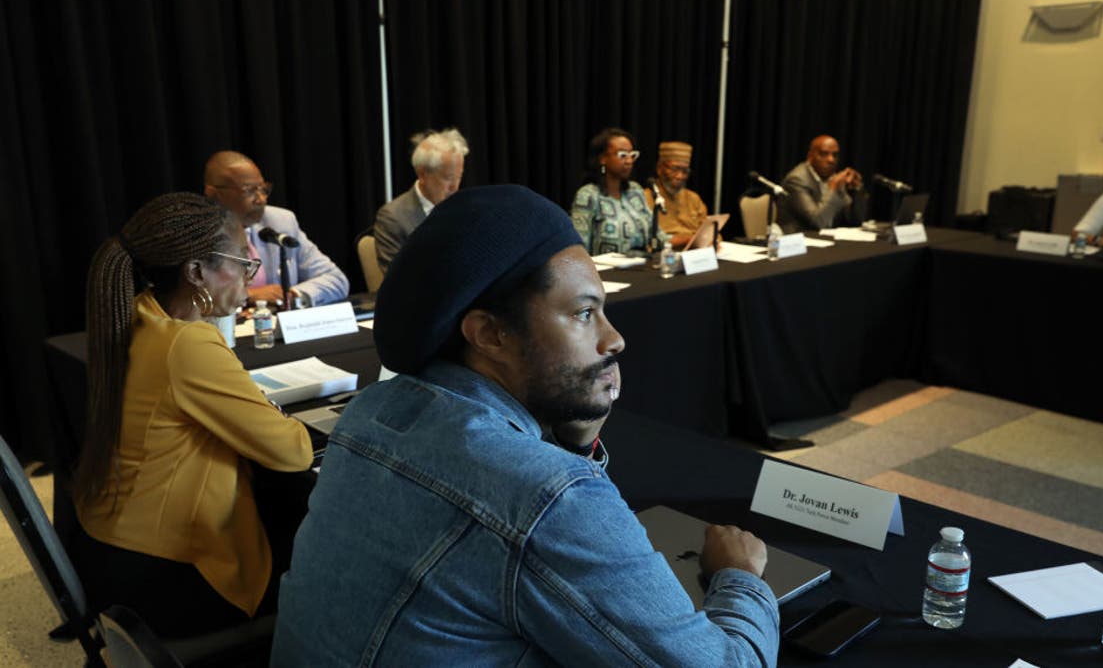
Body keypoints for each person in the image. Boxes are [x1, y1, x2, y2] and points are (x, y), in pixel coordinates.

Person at [273, 185, 779, 666]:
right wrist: (737, 576)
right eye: (584, 314)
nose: (615, 340)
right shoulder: (547, 497)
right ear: (490, 334)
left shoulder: (369, 412)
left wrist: (575, 444)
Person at [72, 192, 313, 638]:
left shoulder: (141, 314)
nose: (249, 275)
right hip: (166, 573)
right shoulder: (188, 345)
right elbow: (294, 451)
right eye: (242, 262)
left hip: (111, 548)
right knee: (328, 562)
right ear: (195, 271)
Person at [204, 150, 349, 309]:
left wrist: (291, 296)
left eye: (263, 189)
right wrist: (250, 295)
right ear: (214, 194)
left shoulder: (280, 221)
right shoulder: (197, 233)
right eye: (249, 190)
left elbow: (337, 279)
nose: (261, 199)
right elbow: (190, 296)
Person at [374, 127, 469, 273]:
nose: (455, 187)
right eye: (448, 178)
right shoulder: (393, 218)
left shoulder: (464, 208)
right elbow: (396, 279)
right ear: (422, 174)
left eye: (459, 177)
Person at [571, 127, 667, 255]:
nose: (629, 161)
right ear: (603, 158)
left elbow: (657, 236)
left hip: (641, 268)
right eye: (622, 155)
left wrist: (690, 240)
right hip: (605, 272)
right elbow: (579, 246)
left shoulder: (635, 191)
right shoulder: (588, 195)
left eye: (632, 155)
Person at [777, 135, 864, 232]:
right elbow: (818, 222)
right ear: (810, 156)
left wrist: (855, 190)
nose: (831, 160)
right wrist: (833, 189)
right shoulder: (796, 180)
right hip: (798, 240)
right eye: (824, 154)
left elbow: (856, 220)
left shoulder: (832, 177)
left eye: (835, 155)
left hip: (827, 240)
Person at [645, 141, 714, 249]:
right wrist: (686, 241)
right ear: (659, 168)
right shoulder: (645, 198)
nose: (680, 176)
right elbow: (648, 241)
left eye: (685, 171)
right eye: (674, 169)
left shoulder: (693, 198)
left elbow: (710, 231)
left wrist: (713, 240)